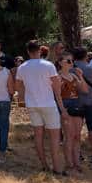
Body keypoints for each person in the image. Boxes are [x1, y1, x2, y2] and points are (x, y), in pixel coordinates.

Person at [15, 40, 64, 174]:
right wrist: (61, 104)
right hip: (48, 103)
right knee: (54, 137)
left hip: (32, 104)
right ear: (40, 50)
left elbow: (18, 86)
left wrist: (23, 99)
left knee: (38, 135)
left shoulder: (22, 67)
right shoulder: (48, 65)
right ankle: (57, 167)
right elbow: (56, 86)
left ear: (28, 52)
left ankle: (44, 165)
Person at [71, 47, 92, 165]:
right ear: (86, 56)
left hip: (75, 102)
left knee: (76, 131)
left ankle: (77, 154)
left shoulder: (71, 70)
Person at [56, 53, 87, 175]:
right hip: (66, 105)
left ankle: (77, 163)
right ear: (60, 62)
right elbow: (57, 95)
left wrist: (81, 76)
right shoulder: (57, 77)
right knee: (69, 136)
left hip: (76, 106)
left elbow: (84, 90)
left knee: (77, 136)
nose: (71, 63)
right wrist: (62, 110)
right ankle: (69, 164)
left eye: (72, 60)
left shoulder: (73, 75)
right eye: (68, 60)